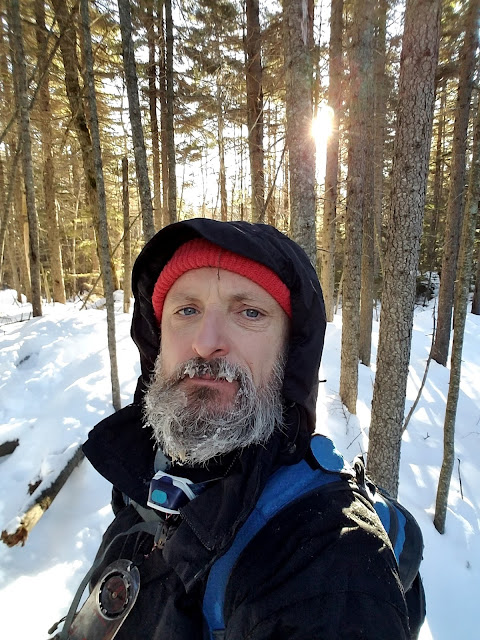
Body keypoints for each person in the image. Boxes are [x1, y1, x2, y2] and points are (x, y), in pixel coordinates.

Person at [81, 218, 418, 639]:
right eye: (186, 310)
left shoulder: (331, 557)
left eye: (249, 312)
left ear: (289, 353)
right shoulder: (149, 478)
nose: (206, 342)